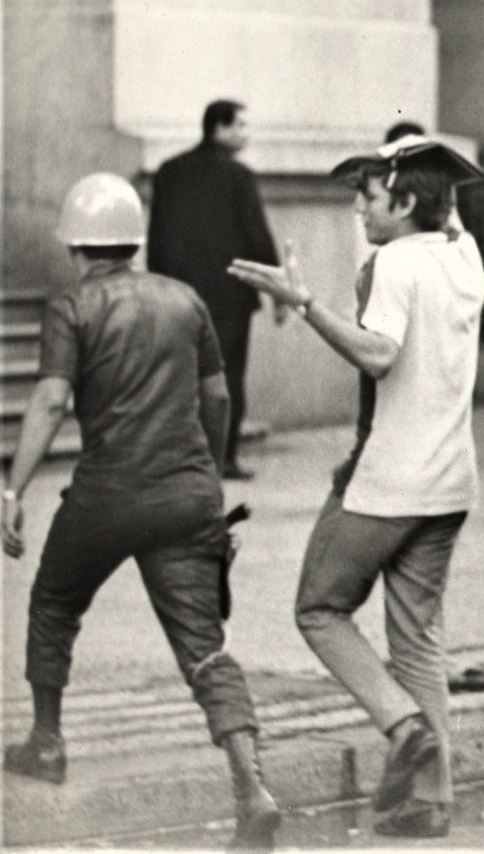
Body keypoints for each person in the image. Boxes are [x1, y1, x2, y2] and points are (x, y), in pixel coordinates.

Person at [3, 174, 281, 850]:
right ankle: (252, 788)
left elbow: (50, 401)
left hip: (104, 497)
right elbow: (218, 399)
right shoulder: (185, 300)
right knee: (204, 647)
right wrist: (207, 475)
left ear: (75, 245)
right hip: (186, 498)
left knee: (53, 603)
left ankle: (47, 741)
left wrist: (13, 491)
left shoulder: (72, 307)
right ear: (133, 240)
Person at [228, 135, 484, 840]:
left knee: (318, 607)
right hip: (451, 483)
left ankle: (403, 728)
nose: (358, 210)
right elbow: (449, 212)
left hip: (389, 481)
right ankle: (431, 801)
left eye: (367, 196)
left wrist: (303, 302)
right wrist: (428, 170)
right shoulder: (464, 254)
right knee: (418, 640)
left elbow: (379, 354)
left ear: (403, 202)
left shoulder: (394, 263)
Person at [147, 99, 283, 480]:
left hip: (179, 294)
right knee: (227, 377)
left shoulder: (170, 171)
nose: (245, 134)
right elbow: (257, 236)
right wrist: (277, 291)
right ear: (219, 128)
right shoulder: (239, 176)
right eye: (239, 125)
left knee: (180, 377)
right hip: (230, 297)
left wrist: (157, 288)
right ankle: (223, 458)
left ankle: (181, 458)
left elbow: (157, 236)